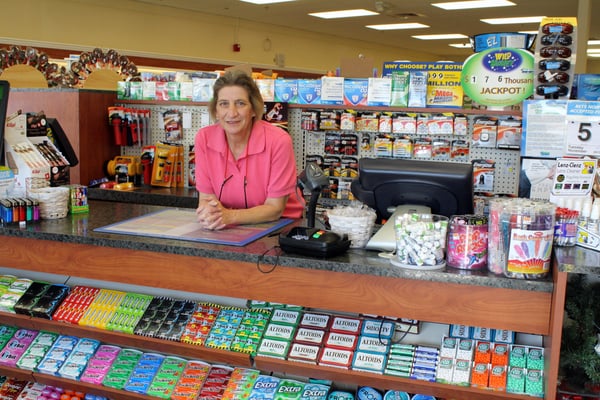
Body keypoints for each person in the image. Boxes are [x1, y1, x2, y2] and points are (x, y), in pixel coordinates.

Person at [194, 70, 305, 230]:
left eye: (240, 103)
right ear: (216, 110)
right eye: (224, 104)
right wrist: (210, 214)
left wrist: (229, 216)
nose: (232, 113)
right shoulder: (204, 139)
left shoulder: (278, 141)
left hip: (281, 225)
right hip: (228, 225)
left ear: (253, 109)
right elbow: (206, 199)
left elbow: (275, 209)